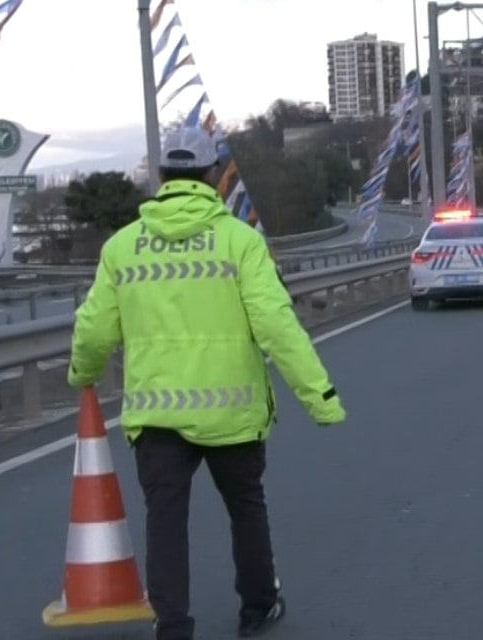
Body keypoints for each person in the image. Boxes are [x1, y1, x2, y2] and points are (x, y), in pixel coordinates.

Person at [67, 125, 347, 640]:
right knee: (246, 509)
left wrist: (81, 374)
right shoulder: (241, 242)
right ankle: (258, 607)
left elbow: (94, 328)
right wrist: (320, 397)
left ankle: (173, 625)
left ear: (161, 177)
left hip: (156, 416)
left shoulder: (122, 248)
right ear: (214, 175)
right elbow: (277, 325)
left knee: (165, 521)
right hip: (233, 411)